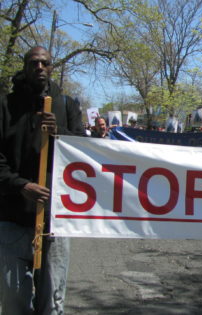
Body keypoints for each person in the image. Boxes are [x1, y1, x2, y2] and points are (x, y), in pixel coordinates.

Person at [0, 46, 84, 314]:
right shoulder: (6, 105)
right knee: (14, 301)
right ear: (25, 66)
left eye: (44, 63)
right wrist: (21, 185)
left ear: (51, 68)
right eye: (33, 62)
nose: (39, 67)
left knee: (52, 302)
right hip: (12, 219)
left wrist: (60, 132)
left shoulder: (66, 105)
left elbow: (84, 152)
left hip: (55, 221)